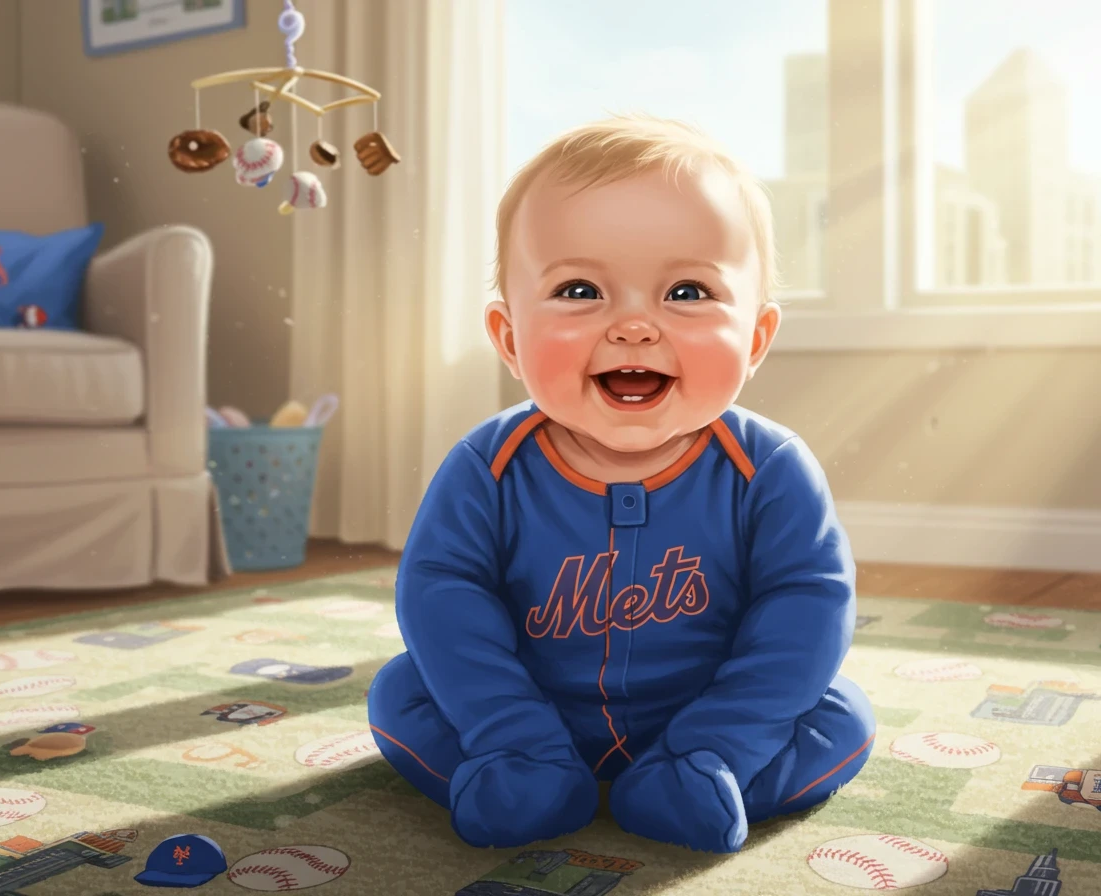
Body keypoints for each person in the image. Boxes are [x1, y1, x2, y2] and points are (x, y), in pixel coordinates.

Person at [367, 114, 875, 854]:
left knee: (842, 720)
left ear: (756, 339)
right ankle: (531, 774)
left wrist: (722, 740)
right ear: (510, 338)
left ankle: (695, 779)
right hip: (529, 714)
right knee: (401, 695)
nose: (635, 327)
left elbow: (808, 607)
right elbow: (442, 598)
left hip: (709, 713)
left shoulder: (767, 467)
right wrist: (512, 730)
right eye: (580, 289)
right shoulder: (488, 467)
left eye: (689, 293)